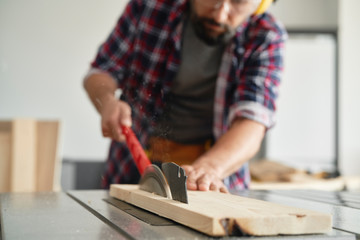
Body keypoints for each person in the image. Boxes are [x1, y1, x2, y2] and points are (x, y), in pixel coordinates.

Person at [84, 0, 286, 193]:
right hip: (129, 166)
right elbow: (101, 71)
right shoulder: (148, 5)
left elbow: (252, 121)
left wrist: (209, 168)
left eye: (239, 2)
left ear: (260, 4)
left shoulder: (267, 36)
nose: (220, 14)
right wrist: (107, 101)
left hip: (215, 171)